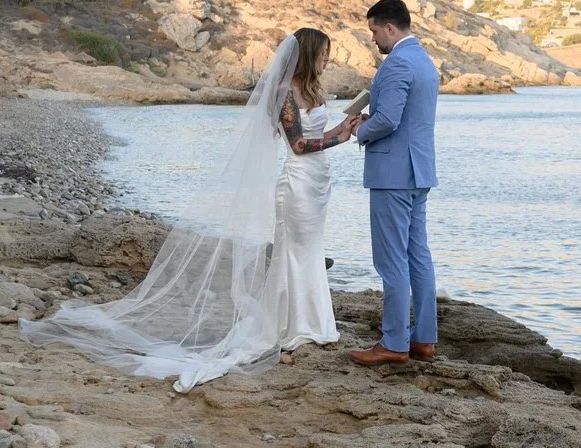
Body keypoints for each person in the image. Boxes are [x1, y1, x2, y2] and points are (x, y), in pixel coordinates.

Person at [25, 29, 352, 390]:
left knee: (309, 249)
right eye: (323, 53)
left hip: (318, 181)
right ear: (307, 53)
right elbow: (299, 145)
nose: (327, 60)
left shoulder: (314, 90)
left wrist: (345, 126)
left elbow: (316, 137)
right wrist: (340, 136)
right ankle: (296, 325)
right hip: (297, 184)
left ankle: (311, 321)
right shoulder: (285, 91)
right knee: (294, 250)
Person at [344, 0, 440, 366]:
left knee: (391, 260)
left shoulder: (397, 63)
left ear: (389, 27)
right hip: (419, 172)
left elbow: (389, 120)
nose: (372, 40)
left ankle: (394, 343)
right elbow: (407, 116)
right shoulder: (424, 60)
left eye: (373, 32)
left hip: (393, 174)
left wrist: (360, 129)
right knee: (418, 256)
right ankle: (424, 339)